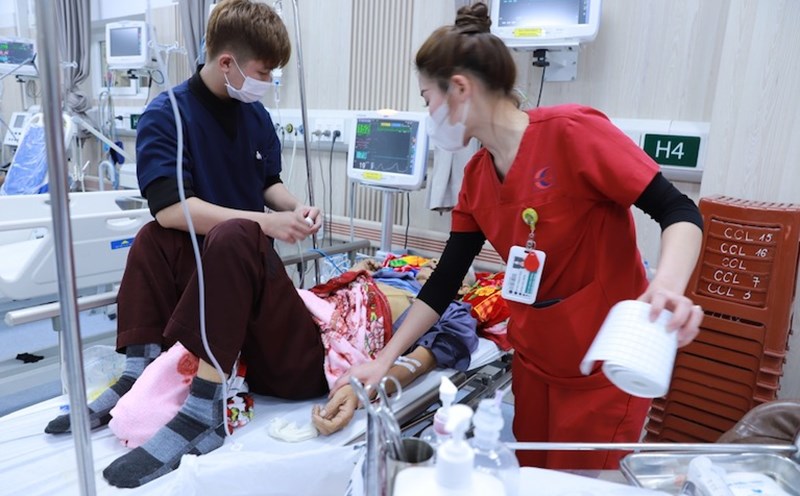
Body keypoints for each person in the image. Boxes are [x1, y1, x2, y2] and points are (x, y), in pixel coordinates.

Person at [335, 2, 705, 470]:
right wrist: (385, 359)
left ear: (460, 90)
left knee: (581, 483)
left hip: (601, 375)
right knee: (530, 480)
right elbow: (447, 277)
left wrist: (666, 288)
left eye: (426, 97)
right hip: (534, 367)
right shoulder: (475, 178)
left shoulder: (574, 134)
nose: (427, 112)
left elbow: (678, 210)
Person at [44, 0, 325, 488]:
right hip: (215, 281)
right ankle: (139, 372)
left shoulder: (254, 116)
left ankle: (203, 412)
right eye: (263, 72)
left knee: (237, 233)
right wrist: (263, 222)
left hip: (264, 313)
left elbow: (268, 181)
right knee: (155, 237)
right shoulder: (168, 114)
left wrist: (294, 209)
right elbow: (171, 210)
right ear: (226, 63)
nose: (268, 83)